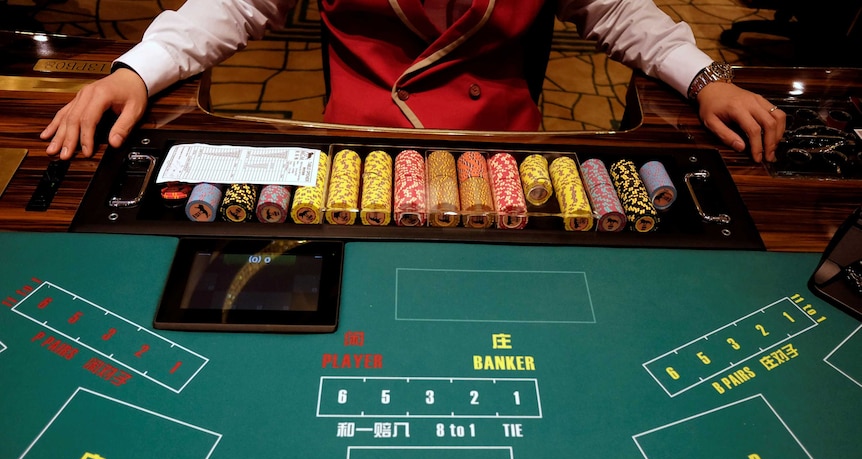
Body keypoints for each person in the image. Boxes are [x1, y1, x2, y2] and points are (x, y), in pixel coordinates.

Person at [41, 0, 785, 163]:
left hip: (506, 155)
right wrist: (137, 69)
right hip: (356, 152)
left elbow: (618, 9)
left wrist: (706, 76)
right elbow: (236, 2)